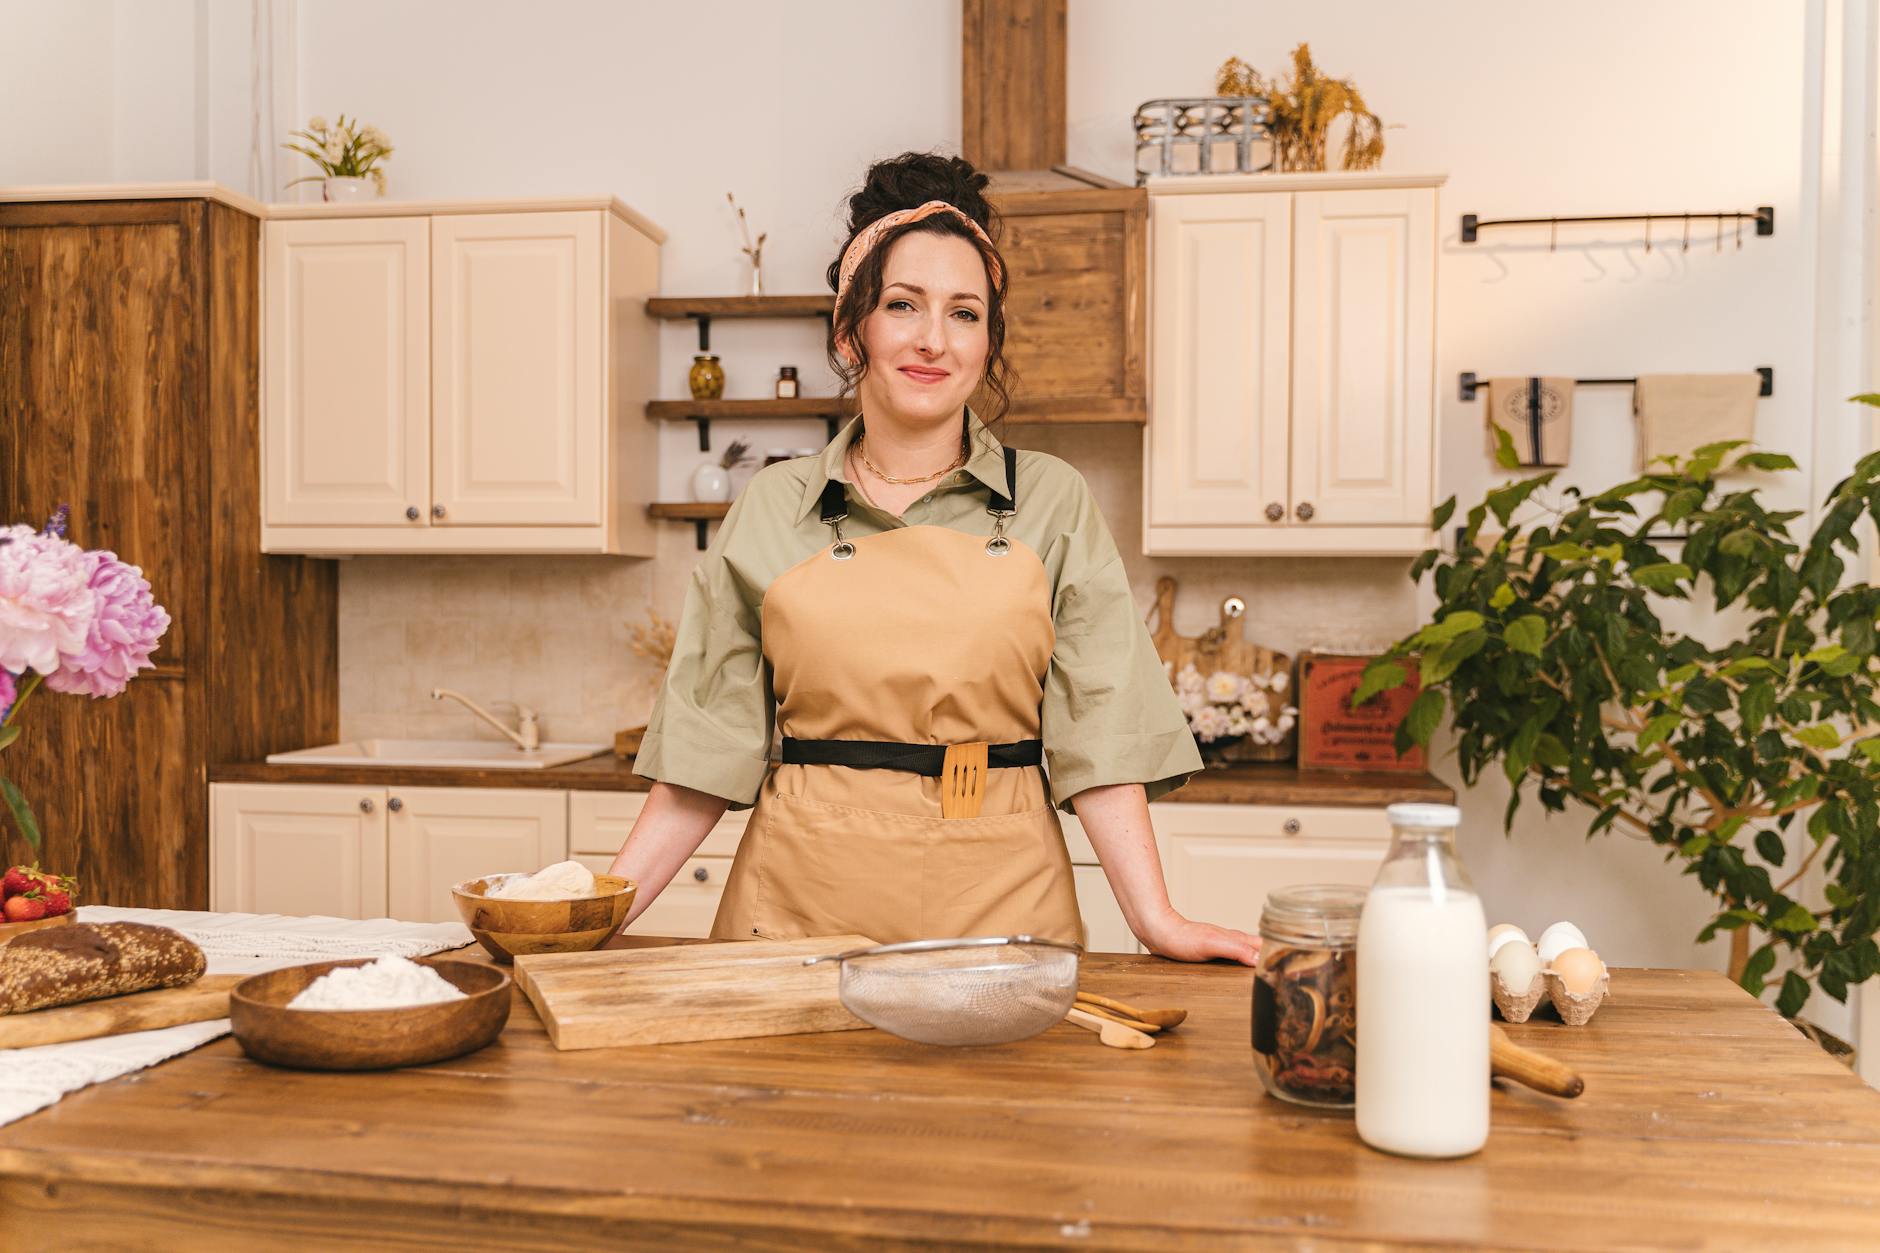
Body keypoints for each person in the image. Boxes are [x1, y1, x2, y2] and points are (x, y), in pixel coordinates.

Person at [610, 151, 1258, 965]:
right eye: (902, 304)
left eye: (964, 313)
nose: (932, 340)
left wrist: (1156, 919)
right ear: (852, 330)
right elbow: (703, 756)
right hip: (795, 914)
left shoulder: (1052, 502)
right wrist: (594, 915)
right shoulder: (771, 508)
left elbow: (1103, 735)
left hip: (1002, 910)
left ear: (988, 339)